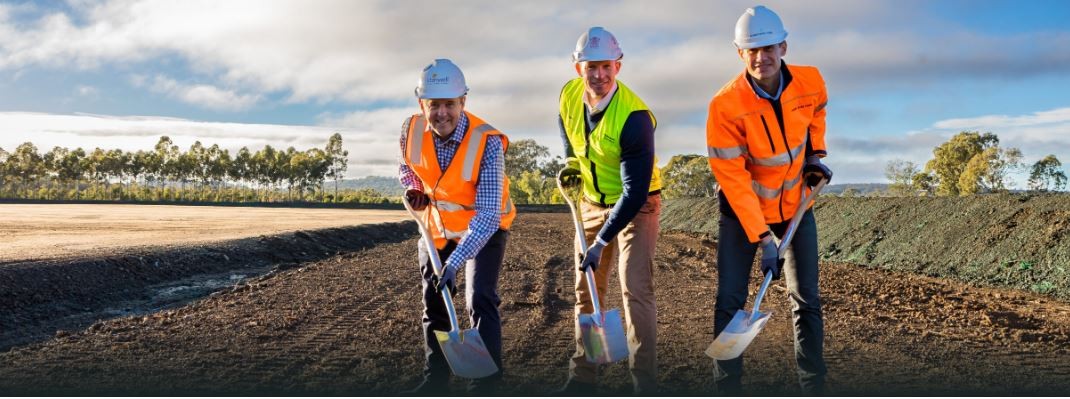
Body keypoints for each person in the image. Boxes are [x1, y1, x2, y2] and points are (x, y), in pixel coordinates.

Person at [705, 5, 834, 395]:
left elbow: (818, 113)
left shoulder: (810, 81)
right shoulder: (724, 106)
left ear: (783, 46)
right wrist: (764, 240)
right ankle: (727, 386)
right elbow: (735, 180)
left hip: (796, 207)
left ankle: (813, 383)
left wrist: (815, 155)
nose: (761, 58)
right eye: (751, 51)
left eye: (768, 48)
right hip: (743, 215)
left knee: (806, 297)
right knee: (731, 300)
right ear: (739, 53)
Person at [398, 58, 516, 395]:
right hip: (435, 227)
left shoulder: (487, 142)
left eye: (450, 104)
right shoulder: (410, 129)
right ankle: (435, 382)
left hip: (484, 228)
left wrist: (454, 262)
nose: (442, 113)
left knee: (478, 299)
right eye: (434, 105)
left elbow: (489, 215)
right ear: (423, 104)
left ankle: (488, 384)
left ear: (463, 102)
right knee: (434, 302)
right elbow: (407, 168)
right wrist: (413, 189)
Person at [556, 26, 662, 395]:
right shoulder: (569, 95)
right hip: (589, 202)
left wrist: (601, 241)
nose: (598, 75)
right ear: (577, 68)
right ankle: (585, 378)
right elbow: (567, 129)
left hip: (638, 205)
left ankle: (642, 383)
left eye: (606, 66)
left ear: (618, 65)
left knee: (635, 289)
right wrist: (571, 162)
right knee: (587, 289)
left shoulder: (634, 117)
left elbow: (633, 192)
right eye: (591, 67)